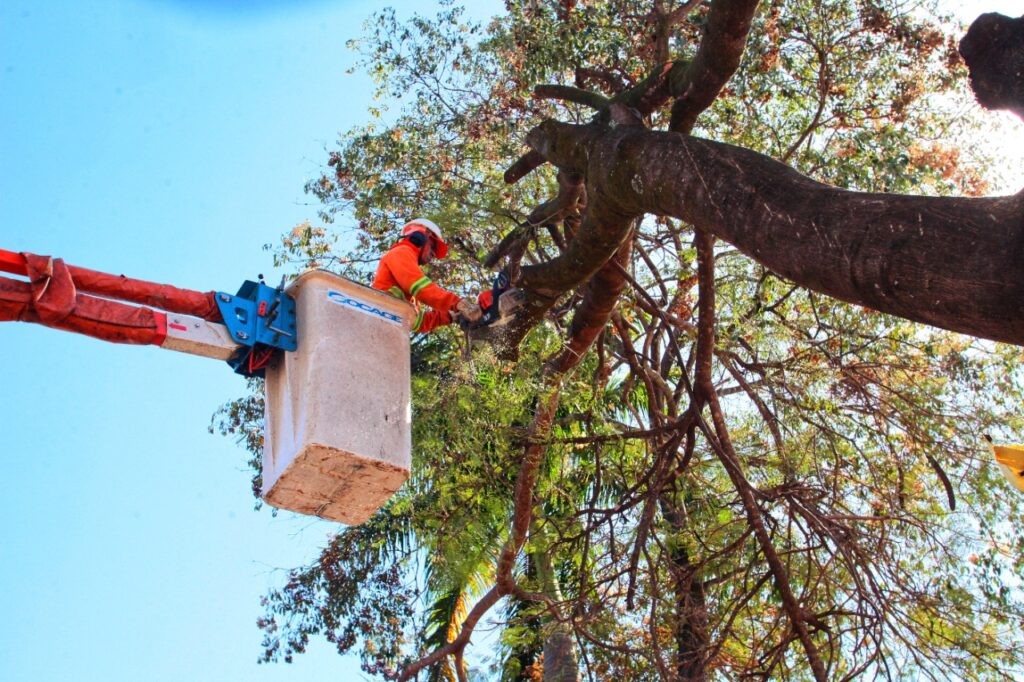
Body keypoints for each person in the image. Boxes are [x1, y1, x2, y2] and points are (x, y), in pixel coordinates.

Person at [372, 218, 482, 333]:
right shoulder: (400, 252)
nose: (434, 254)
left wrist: (450, 315)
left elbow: (417, 322)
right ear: (419, 237)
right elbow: (421, 288)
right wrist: (458, 303)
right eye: (433, 245)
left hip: (386, 331)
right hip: (378, 324)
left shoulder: (407, 293)